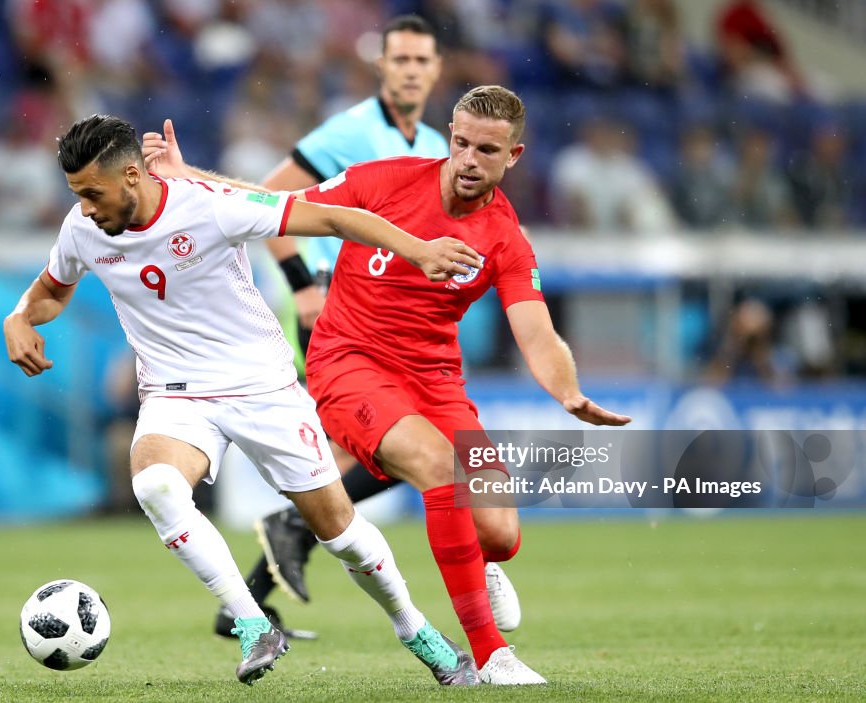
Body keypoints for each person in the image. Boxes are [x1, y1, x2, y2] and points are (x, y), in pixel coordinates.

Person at [143, 85, 632, 685]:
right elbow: (275, 205)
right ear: (448, 138)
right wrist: (184, 173)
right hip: (348, 364)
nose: (469, 159)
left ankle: (479, 566)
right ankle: (489, 654)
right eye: (460, 143)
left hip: (438, 381)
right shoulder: (383, 181)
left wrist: (568, 393)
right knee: (436, 467)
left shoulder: (506, 238)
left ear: (515, 156)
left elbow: (537, 332)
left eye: (487, 149)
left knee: (501, 535)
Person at [2, 114, 483, 686]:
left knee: (340, 534)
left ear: (132, 175)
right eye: (76, 196)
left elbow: (330, 215)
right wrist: (20, 315)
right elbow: (52, 290)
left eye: (91, 194)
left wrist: (418, 250)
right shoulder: (83, 229)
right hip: (176, 395)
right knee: (155, 485)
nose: (84, 208)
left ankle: (415, 629)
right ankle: (254, 624)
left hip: (263, 388)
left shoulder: (209, 207)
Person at [202, 14, 530, 642]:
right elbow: (271, 200)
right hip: (331, 312)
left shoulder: (445, 142)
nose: (410, 70)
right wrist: (302, 284)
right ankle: (277, 549)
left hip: (392, 323)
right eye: (399, 59)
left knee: (374, 449)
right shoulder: (350, 131)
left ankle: (260, 576)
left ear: (437, 71)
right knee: (365, 448)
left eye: (421, 61)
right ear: (379, 66)